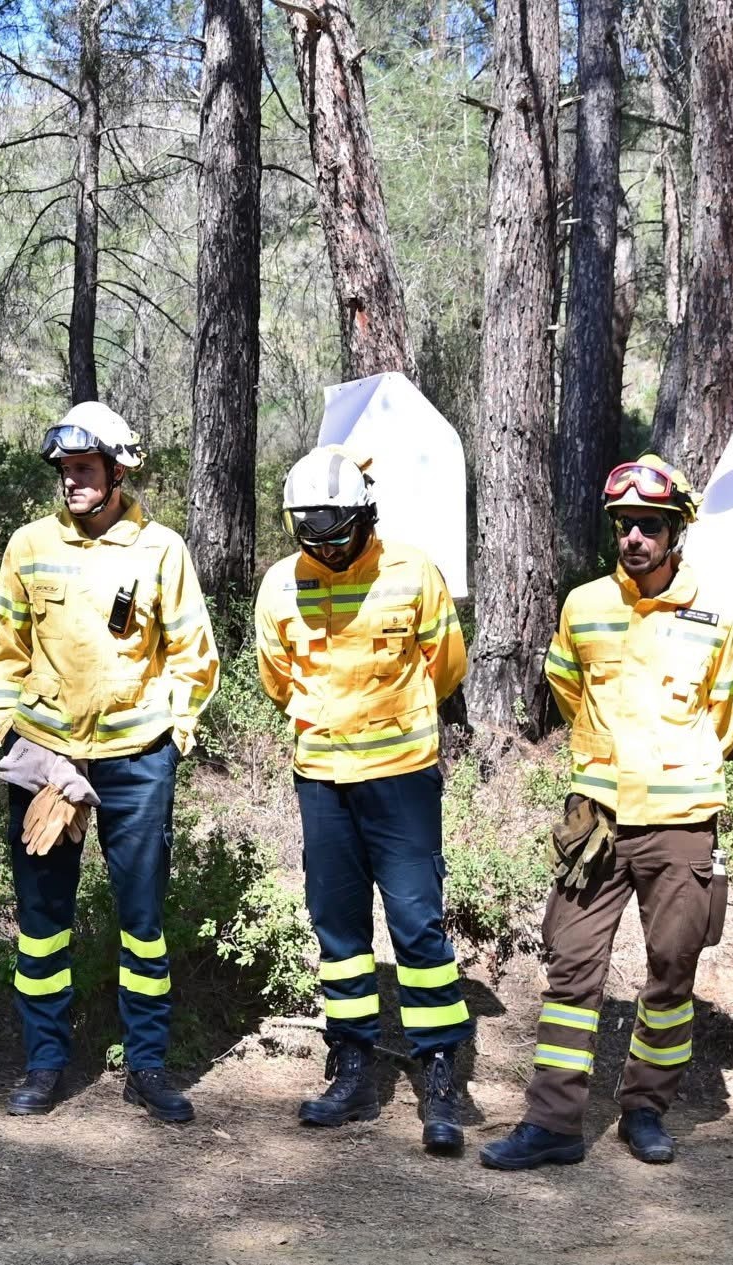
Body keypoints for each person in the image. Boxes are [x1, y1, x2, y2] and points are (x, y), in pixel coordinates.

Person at [482, 454, 733, 1170]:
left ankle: (645, 1110)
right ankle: (554, 1123)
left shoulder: (718, 616)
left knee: (671, 967)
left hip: (682, 822)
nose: (633, 536)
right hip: (595, 818)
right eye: (624, 524)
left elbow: (727, 712)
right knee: (570, 967)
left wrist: (675, 768)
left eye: (648, 525)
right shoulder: (584, 603)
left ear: (675, 531)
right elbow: (567, 684)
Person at [0, 401, 221, 1120]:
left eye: (84, 470)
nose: (71, 483)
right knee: (42, 921)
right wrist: (13, 734)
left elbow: (193, 653)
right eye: (64, 471)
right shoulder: (29, 545)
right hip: (48, 760)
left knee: (141, 920)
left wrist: (173, 734)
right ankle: (45, 1061)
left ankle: (147, 1066)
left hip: (135, 762)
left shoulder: (161, 549)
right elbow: (5, 646)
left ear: (118, 473)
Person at [253, 445, 472, 1153]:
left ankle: (440, 1068)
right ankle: (351, 1065)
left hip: (402, 776)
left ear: (365, 515)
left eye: (337, 531)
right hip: (321, 778)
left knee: (416, 923)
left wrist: (391, 723)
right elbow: (277, 679)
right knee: (339, 931)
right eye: (311, 533)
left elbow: (446, 667)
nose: (325, 546)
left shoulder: (413, 571)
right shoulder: (280, 585)